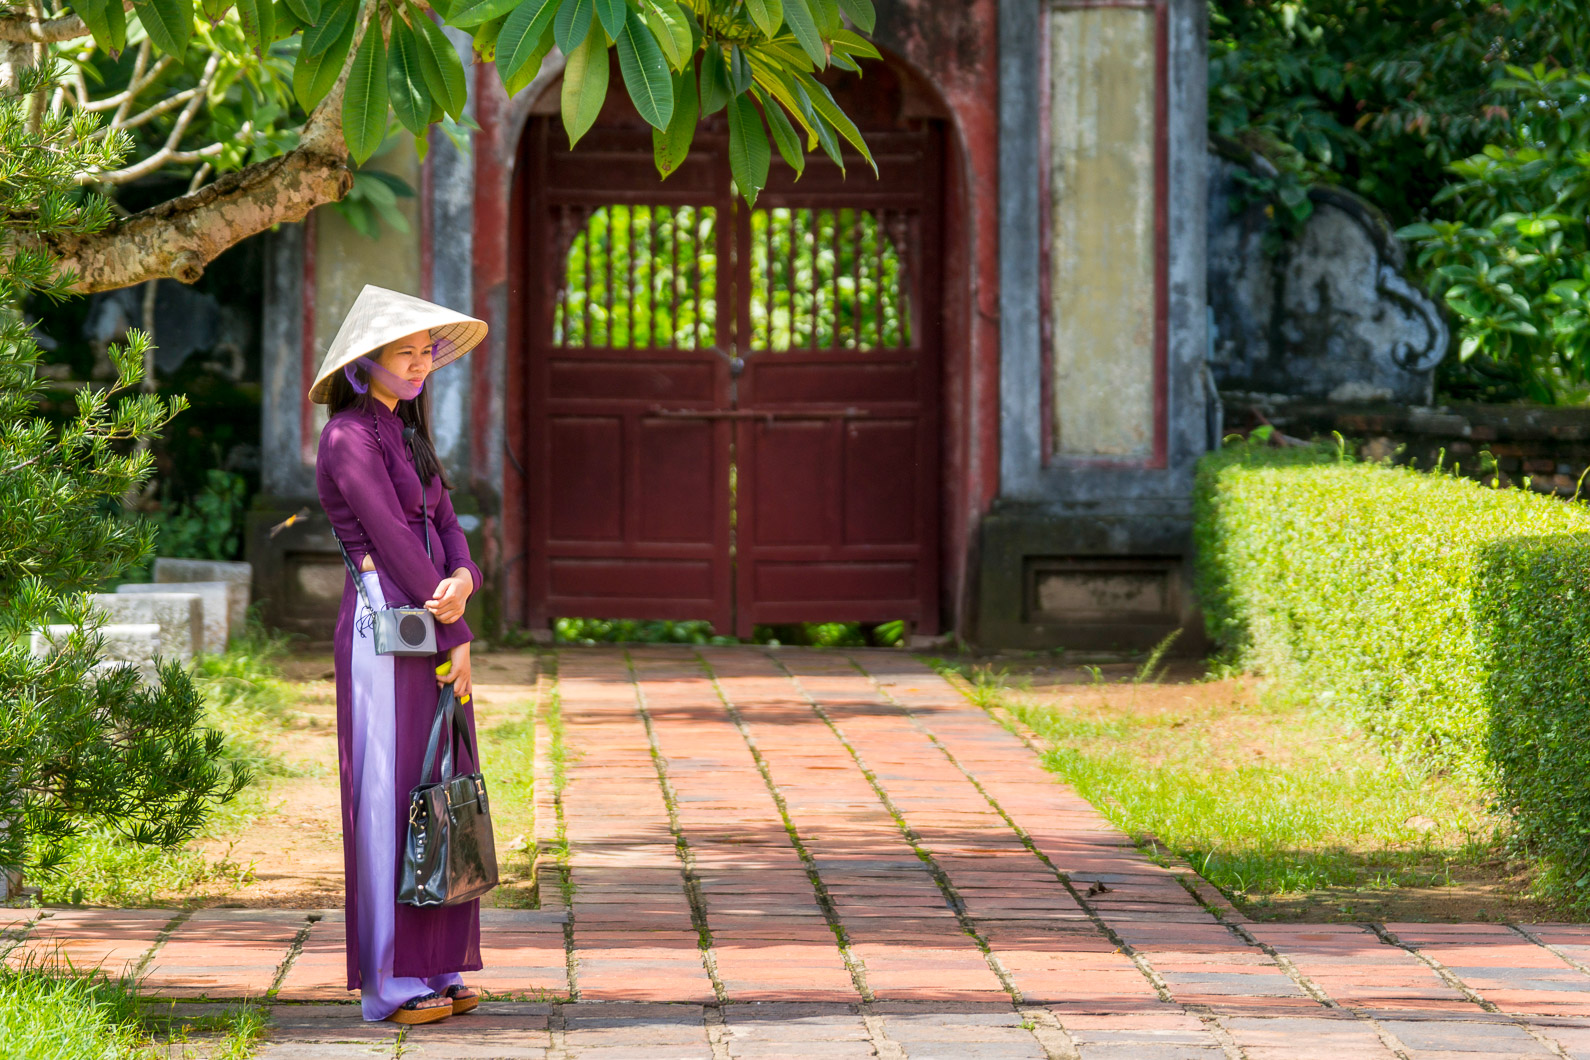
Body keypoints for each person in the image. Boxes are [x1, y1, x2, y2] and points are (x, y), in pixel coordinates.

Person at [309, 285, 489, 1025]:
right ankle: (389, 980)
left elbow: (445, 522)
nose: (419, 365)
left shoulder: (410, 436)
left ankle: (436, 964)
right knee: (391, 790)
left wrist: (466, 579)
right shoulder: (348, 438)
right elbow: (387, 535)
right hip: (385, 626)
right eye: (403, 353)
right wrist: (454, 629)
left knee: (442, 783)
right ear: (364, 365)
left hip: (433, 614)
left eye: (426, 353)